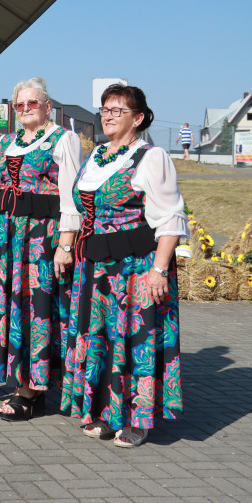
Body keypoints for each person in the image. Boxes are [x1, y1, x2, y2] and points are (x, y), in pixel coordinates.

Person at [61, 84, 186, 448]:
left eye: (117, 110)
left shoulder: (152, 157)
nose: (108, 115)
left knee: (134, 342)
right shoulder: (96, 155)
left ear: (139, 118)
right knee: (98, 339)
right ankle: (103, 412)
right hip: (93, 267)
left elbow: (170, 218)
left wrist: (159, 270)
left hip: (134, 266)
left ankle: (137, 420)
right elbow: (80, 209)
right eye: (105, 109)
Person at [0, 78, 82, 421]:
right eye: (19, 105)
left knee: (37, 309)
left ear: (48, 107)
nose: (25, 109)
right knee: (11, 307)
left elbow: (71, 196)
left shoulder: (64, 139)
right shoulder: (6, 142)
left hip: (40, 239)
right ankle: (24, 382)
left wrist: (66, 244)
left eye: (32, 103)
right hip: (7, 239)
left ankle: (30, 390)